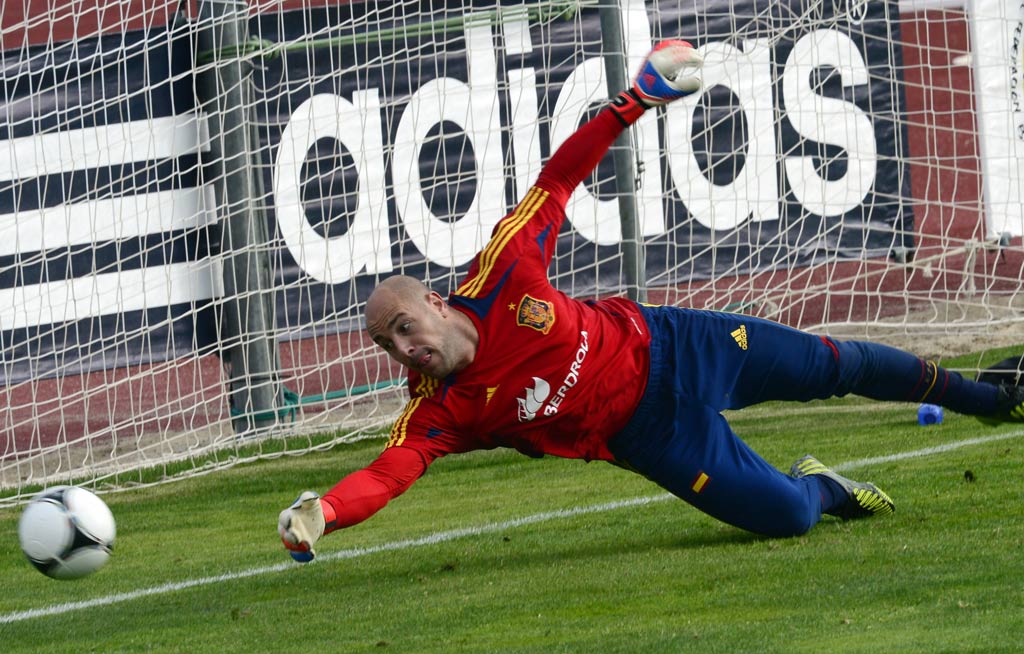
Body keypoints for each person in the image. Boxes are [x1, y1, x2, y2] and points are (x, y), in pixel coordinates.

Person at [278, 41, 1024, 561]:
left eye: (404, 328)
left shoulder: (504, 269)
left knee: (838, 362)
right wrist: (326, 513)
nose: (404, 350)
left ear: (437, 304)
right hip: (649, 437)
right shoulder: (438, 410)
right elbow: (388, 472)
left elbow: (558, 179)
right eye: (388, 346)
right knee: (790, 519)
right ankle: (823, 484)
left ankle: (992, 396)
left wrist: (634, 103)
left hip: (675, 345)